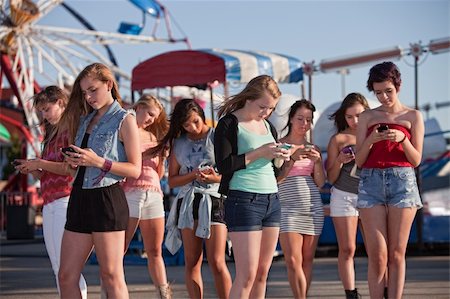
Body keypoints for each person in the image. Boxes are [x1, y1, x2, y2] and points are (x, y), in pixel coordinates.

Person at [57, 62, 142, 299]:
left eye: (93, 89)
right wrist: (75, 162)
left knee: (111, 276)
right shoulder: (85, 120)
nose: (88, 96)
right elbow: (77, 168)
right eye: (84, 92)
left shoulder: (125, 119)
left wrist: (98, 162)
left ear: (109, 84)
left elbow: (135, 169)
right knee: (66, 276)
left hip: (107, 199)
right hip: (79, 196)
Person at [214, 75, 290, 299]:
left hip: (272, 201)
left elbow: (274, 170)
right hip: (243, 200)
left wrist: (282, 157)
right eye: (263, 106)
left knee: (262, 273)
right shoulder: (229, 124)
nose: (266, 112)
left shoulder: (268, 126)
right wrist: (260, 152)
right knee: (246, 275)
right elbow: (224, 165)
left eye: (271, 108)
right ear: (249, 98)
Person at [355, 61, 424, 299]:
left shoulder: (413, 116)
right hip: (370, 181)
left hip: (402, 182)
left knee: (396, 253)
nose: (383, 97)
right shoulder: (367, 117)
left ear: (398, 85)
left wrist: (402, 140)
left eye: (388, 91)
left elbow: (416, 160)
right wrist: (372, 140)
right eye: (378, 92)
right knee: (378, 255)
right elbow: (360, 161)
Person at [14, 86, 87, 298]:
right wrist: (33, 168)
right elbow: (47, 174)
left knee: (67, 266)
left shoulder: (72, 129)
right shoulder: (52, 134)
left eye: (46, 109)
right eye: (41, 111)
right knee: (58, 266)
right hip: (50, 200)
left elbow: (69, 168)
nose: (43, 115)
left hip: (66, 198)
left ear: (61, 103)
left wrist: (40, 163)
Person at [161, 99, 232, 299]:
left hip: (214, 199)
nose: (191, 128)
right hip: (188, 202)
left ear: (201, 115)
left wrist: (214, 177)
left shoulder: (218, 135)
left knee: (217, 261)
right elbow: (173, 181)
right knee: (192, 261)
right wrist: (193, 175)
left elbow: (231, 175)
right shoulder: (179, 143)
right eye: (185, 125)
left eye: (195, 122)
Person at [120, 94, 172, 298]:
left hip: (153, 193)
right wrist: (146, 156)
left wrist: (162, 158)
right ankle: (111, 290)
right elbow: (123, 161)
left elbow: (158, 175)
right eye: (149, 113)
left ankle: (164, 293)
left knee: (155, 250)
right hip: (130, 192)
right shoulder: (125, 130)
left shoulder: (153, 137)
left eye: (155, 117)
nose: (151, 119)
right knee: (119, 249)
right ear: (139, 107)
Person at [276, 99, 326, 298]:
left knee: (307, 260)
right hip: (287, 208)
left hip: (313, 207)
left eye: (308, 120)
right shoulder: (278, 146)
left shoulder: (313, 147)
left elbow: (320, 183)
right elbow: (276, 179)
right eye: (300, 118)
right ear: (290, 118)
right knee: (293, 261)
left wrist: (318, 162)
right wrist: (292, 159)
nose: (304, 123)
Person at [326, 93, 370, 299]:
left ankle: (383, 290)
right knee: (348, 248)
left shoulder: (375, 134)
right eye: (350, 116)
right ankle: (351, 293)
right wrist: (340, 161)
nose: (355, 121)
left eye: (360, 116)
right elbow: (331, 178)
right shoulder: (338, 139)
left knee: (376, 249)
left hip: (372, 197)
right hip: (344, 196)